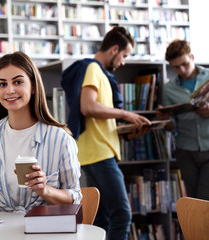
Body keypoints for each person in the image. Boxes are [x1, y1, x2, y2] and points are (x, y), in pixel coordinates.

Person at [0, 51, 82, 218]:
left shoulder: (60, 139)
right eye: (2, 84)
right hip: (2, 231)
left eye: (18, 82)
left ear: (32, 86)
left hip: (47, 230)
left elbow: (75, 197)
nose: (9, 90)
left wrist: (44, 190)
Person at [62, 26, 151, 240]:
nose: (123, 62)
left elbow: (97, 120)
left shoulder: (97, 73)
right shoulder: (93, 68)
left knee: (101, 219)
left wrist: (129, 133)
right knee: (121, 213)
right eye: (124, 55)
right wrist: (126, 114)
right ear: (114, 49)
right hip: (99, 155)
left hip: (93, 153)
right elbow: (88, 107)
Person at [157, 39, 209, 200]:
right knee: (193, 201)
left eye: (184, 64)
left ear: (192, 57)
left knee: (204, 199)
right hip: (186, 151)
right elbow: (172, 127)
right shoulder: (169, 89)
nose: (181, 69)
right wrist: (165, 120)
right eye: (176, 66)